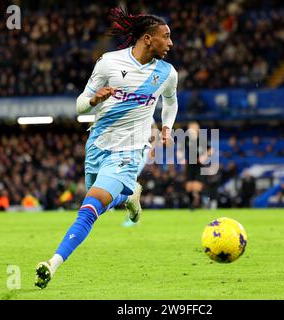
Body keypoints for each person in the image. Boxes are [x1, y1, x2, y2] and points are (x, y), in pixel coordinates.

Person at [35, 7, 177, 289]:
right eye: (166, 36)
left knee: (89, 208)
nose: (171, 43)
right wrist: (94, 100)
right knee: (98, 203)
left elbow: (171, 102)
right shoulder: (108, 63)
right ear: (148, 39)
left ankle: (52, 264)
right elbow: (78, 105)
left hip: (130, 149)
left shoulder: (167, 73)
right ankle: (130, 197)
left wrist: (166, 127)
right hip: (98, 145)